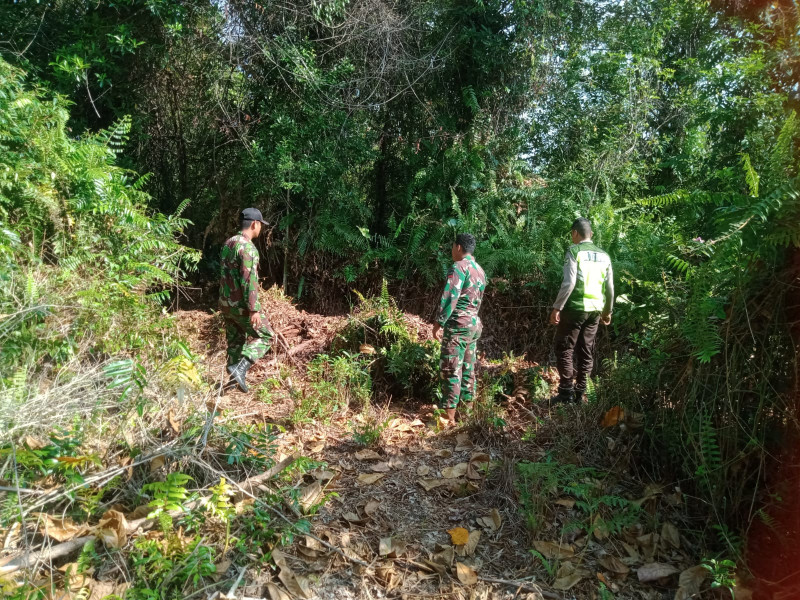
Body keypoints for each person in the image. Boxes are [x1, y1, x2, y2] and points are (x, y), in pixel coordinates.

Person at [549, 217, 614, 404]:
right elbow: (610, 288)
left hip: (575, 308)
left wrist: (557, 307)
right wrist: (607, 311)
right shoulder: (605, 256)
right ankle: (581, 394)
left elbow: (569, 283)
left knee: (565, 348)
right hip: (595, 310)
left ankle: (565, 393)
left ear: (575, 233)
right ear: (591, 234)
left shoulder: (574, 251)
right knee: (586, 350)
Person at [432, 233, 487, 423]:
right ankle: (467, 416)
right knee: (467, 369)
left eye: (452, 247)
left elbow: (450, 297)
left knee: (450, 368)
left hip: (457, 325)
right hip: (473, 325)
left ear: (458, 247)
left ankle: (448, 419)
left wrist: (439, 322)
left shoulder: (458, 267)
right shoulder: (480, 270)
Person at [219, 208, 274, 392]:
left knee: (235, 341)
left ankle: (233, 383)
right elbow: (249, 280)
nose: (260, 229)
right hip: (241, 306)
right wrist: (253, 309)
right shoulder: (248, 248)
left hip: (226, 304)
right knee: (266, 336)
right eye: (260, 225)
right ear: (254, 224)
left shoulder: (229, 243)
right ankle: (240, 368)